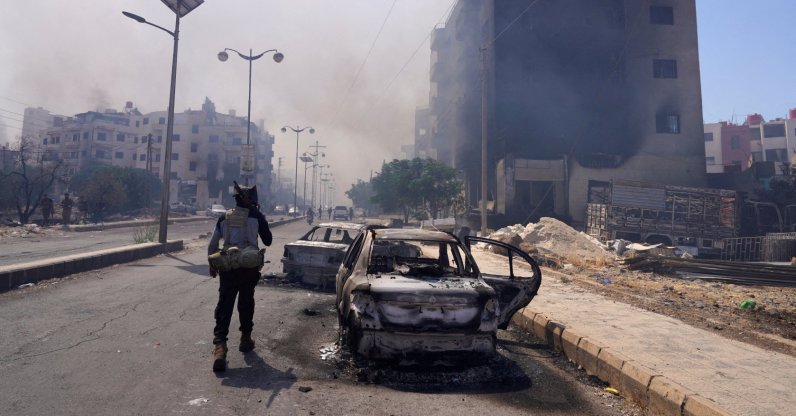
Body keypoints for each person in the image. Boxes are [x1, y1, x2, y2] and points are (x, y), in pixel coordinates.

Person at [207, 182, 272, 372]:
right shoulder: (256, 216)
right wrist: (261, 220)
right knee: (246, 302)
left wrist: (212, 266)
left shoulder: (223, 218)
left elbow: (212, 245)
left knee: (224, 304)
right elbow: (267, 240)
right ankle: (245, 339)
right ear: (250, 200)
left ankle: (220, 347)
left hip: (227, 267)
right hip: (248, 268)